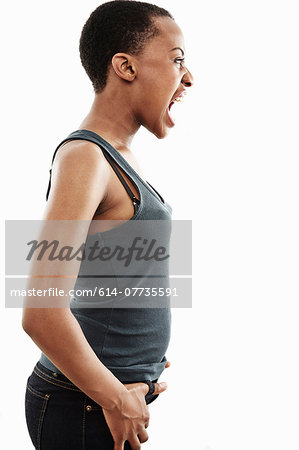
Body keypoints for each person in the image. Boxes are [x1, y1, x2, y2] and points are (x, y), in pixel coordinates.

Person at [22, 1, 194, 449]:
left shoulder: (116, 157)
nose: (189, 77)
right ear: (125, 66)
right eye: (177, 59)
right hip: (83, 404)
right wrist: (115, 396)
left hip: (102, 397)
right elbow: (41, 312)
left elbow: (106, 275)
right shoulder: (85, 157)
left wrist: (141, 356)